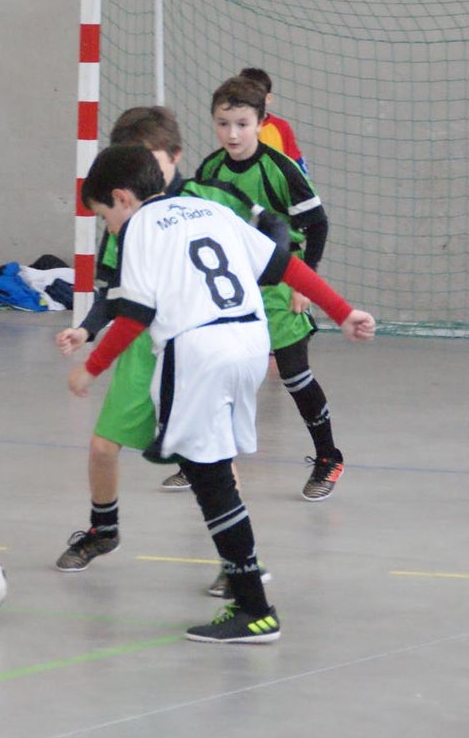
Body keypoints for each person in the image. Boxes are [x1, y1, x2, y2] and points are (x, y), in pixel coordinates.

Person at [69, 144, 374, 643]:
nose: (108, 229)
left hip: (199, 353)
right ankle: (239, 582)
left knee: (211, 480)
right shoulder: (210, 209)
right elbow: (284, 267)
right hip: (251, 345)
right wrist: (343, 312)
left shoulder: (140, 229)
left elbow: (137, 314)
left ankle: (254, 608)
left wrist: (92, 367)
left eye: (104, 217)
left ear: (123, 199)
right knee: (206, 465)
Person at [53, 107, 282, 595]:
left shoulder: (205, 201)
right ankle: (104, 529)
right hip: (142, 347)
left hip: (198, 346)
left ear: (176, 157)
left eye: (155, 161)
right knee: (101, 446)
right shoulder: (127, 222)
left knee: (217, 465)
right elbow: (117, 294)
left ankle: (240, 568)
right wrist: (88, 332)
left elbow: (274, 236)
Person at [190, 75, 346, 507]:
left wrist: (305, 283)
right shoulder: (210, 170)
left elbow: (318, 225)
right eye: (224, 124)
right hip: (231, 284)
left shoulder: (281, 169)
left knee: (295, 376)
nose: (232, 133)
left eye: (242, 123)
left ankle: (329, 457)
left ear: (261, 121)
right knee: (214, 372)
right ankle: (204, 460)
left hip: (281, 283)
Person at [239, 66, 309, 176]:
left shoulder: (281, 127)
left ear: (268, 99)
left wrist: (303, 185)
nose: (250, 100)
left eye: (256, 96)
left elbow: (296, 162)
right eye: (244, 95)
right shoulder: (234, 128)